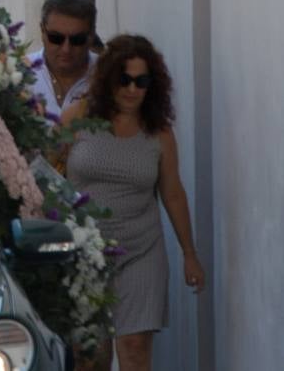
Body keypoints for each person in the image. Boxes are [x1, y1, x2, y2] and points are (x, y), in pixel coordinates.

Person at [63, 36, 205, 370]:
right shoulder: (79, 116)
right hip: (86, 254)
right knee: (91, 356)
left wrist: (189, 254)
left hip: (141, 251)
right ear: (109, 78)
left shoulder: (158, 133)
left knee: (135, 346)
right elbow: (43, 170)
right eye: (124, 79)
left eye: (141, 81)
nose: (132, 89)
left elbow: (172, 192)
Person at [27, 0, 100, 123]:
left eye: (77, 40)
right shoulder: (19, 74)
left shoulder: (108, 75)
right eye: (56, 38)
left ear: (91, 36)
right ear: (42, 31)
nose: (66, 49)